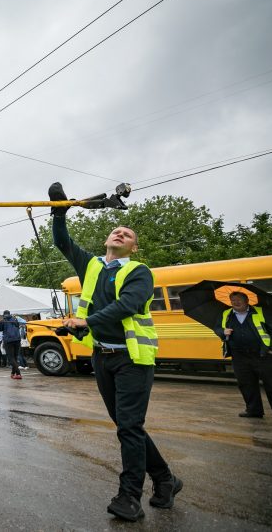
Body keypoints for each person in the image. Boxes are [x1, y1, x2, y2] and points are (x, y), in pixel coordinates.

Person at [50, 181, 181, 522]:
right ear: (107, 241)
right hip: (102, 357)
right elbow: (62, 242)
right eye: (116, 230)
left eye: (127, 233)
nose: (120, 233)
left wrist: (85, 321)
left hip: (132, 358)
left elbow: (128, 306)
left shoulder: (139, 272)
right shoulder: (91, 266)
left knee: (128, 427)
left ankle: (129, 497)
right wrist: (59, 213)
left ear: (134, 248)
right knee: (127, 425)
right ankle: (166, 478)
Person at [217, 292, 272, 418]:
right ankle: (254, 410)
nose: (236, 302)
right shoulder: (226, 314)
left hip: (263, 355)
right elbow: (217, 328)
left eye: (239, 299)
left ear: (247, 300)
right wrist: (223, 332)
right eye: (233, 300)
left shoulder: (261, 312)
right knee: (246, 384)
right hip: (239, 356)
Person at [0, 311, 22, 380]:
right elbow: (18, 326)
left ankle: (18, 373)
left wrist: (1, 322)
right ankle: (13, 373)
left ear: (4, 314)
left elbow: (0, 329)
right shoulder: (15, 319)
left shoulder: (3, 320)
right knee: (14, 357)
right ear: (9, 314)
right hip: (17, 340)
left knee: (11, 358)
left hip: (8, 340)